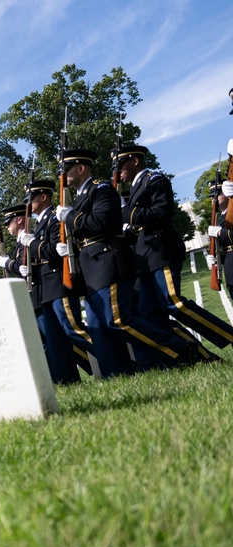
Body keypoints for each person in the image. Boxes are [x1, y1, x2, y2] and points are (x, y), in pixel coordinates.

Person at [56, 149, 199, 377]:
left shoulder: (101, 190)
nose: (62, 174)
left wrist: (71, 217)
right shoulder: (80, 197)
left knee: (118, 319)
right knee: (98, 327)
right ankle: (117, 374)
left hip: (106, 261)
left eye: (66, 168)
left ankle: (180, 349)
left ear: (81, 168)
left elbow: (100, 223)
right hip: (90, 268)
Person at [115, 145, 231, 355]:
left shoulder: (154, 180)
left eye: (121, 164)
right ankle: (191, 356)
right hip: (145, 257)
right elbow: (139, 224)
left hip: (162, 251)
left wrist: (126, 212)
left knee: (173, 303)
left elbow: (161, 215)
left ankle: (228, 334)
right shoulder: (134, 188)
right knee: (151, 314)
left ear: (135, 161)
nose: (118, 170)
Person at [22, 179, 96, 382]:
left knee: (73, 328)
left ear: (44, 197)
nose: (29, 204)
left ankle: (114, 355)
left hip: (58, 283)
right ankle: (67, 380)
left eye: (32, 199)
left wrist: (33, 243)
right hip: (46, 287)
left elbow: (55, 251)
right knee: (56, 340)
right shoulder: (38, 224)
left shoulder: (55, 219)